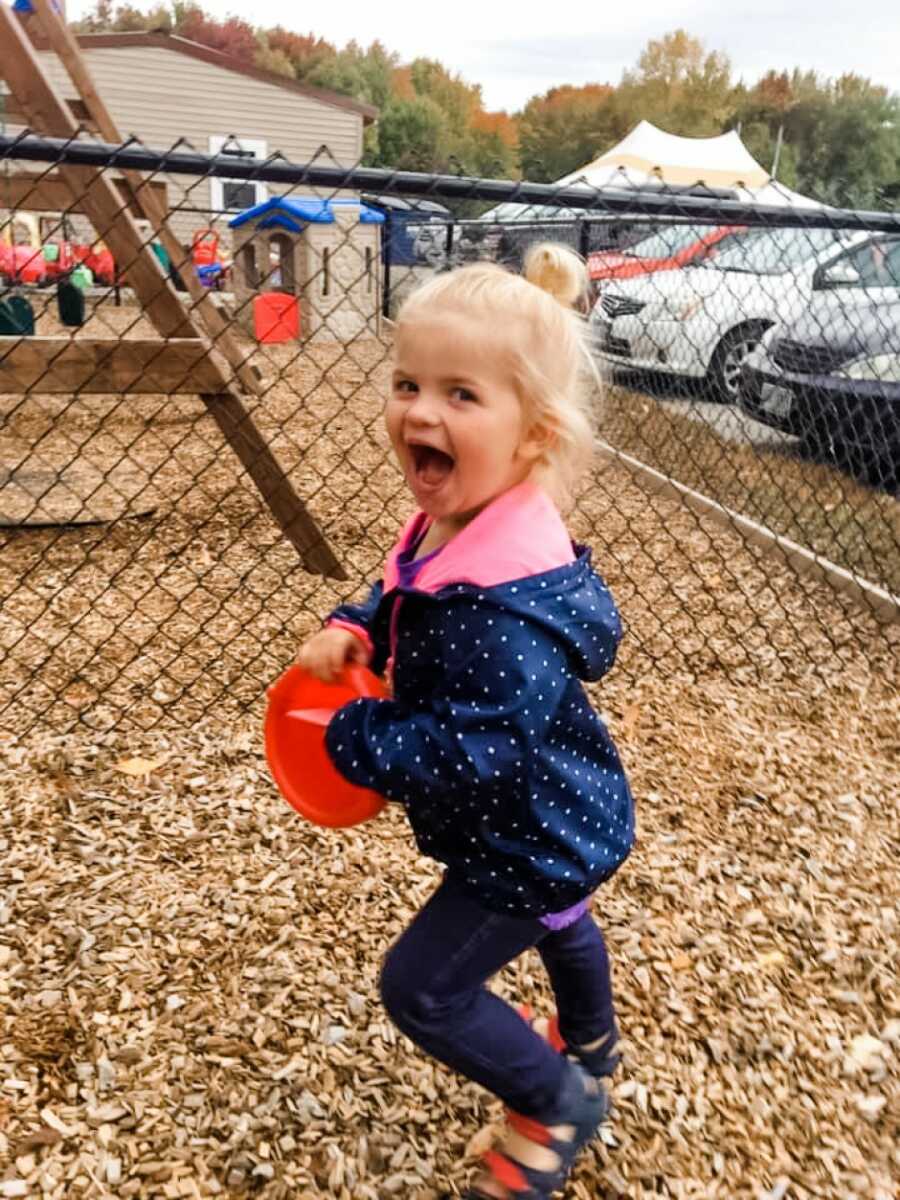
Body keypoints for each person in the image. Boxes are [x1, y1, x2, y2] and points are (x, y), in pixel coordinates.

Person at [297, 242, 634, 1199]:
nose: (420, 411)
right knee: (563, 910)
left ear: (533, 437)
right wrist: (353, 623)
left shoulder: (503, 611)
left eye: (460, 394)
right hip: (562, 809)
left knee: (424, 988)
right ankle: (593, 1040)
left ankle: (557, 1098)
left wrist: (353, 743)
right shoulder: (465, 522)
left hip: (525, 831)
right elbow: (404, 583)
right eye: (408, 382)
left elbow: (470, 751)